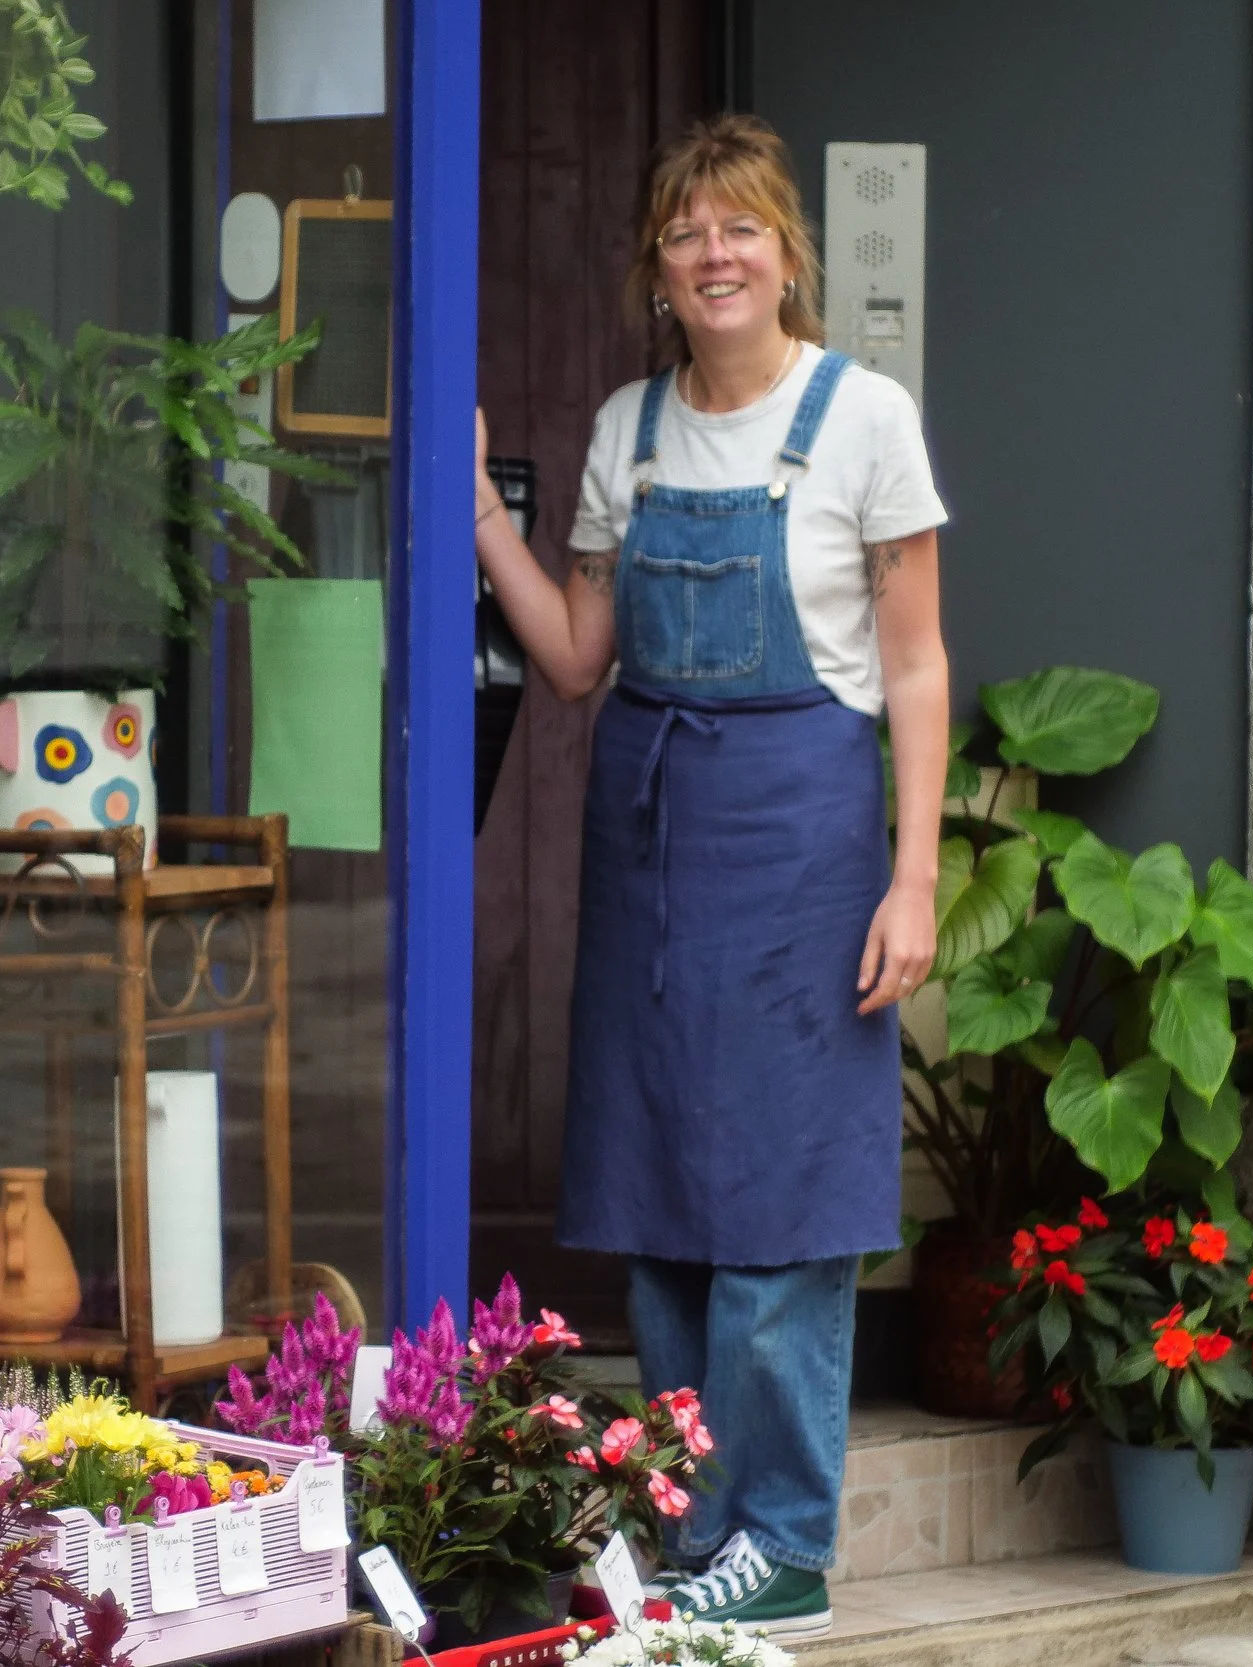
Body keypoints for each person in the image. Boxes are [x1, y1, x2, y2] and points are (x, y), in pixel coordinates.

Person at [473, 114, 950, 1639]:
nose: (714, 253)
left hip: (806, 833)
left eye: (739, 226)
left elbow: (921, 666)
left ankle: (788, 1539)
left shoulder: (863, 416)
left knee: (785, 1198)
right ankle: (696, 1524)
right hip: (652, 831)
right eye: (686, 233)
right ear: (658, 270)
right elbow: (573, 663)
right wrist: (483, 516)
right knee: (667, 1190)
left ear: (785, 251)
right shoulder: (630, 426)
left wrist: (915, 879)